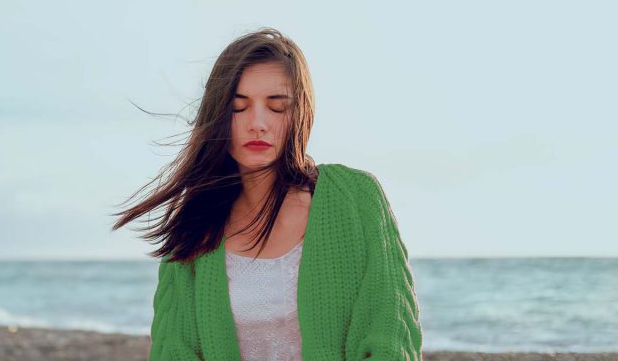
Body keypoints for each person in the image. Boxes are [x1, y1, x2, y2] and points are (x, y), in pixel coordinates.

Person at [111, 28, 423, 360]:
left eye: (276, 106)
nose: (257, 123)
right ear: (217, 116)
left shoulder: (356, 198)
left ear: (299, 112)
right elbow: (174, 351)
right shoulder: (194, 227)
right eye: (238, 107)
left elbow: (389, 336)